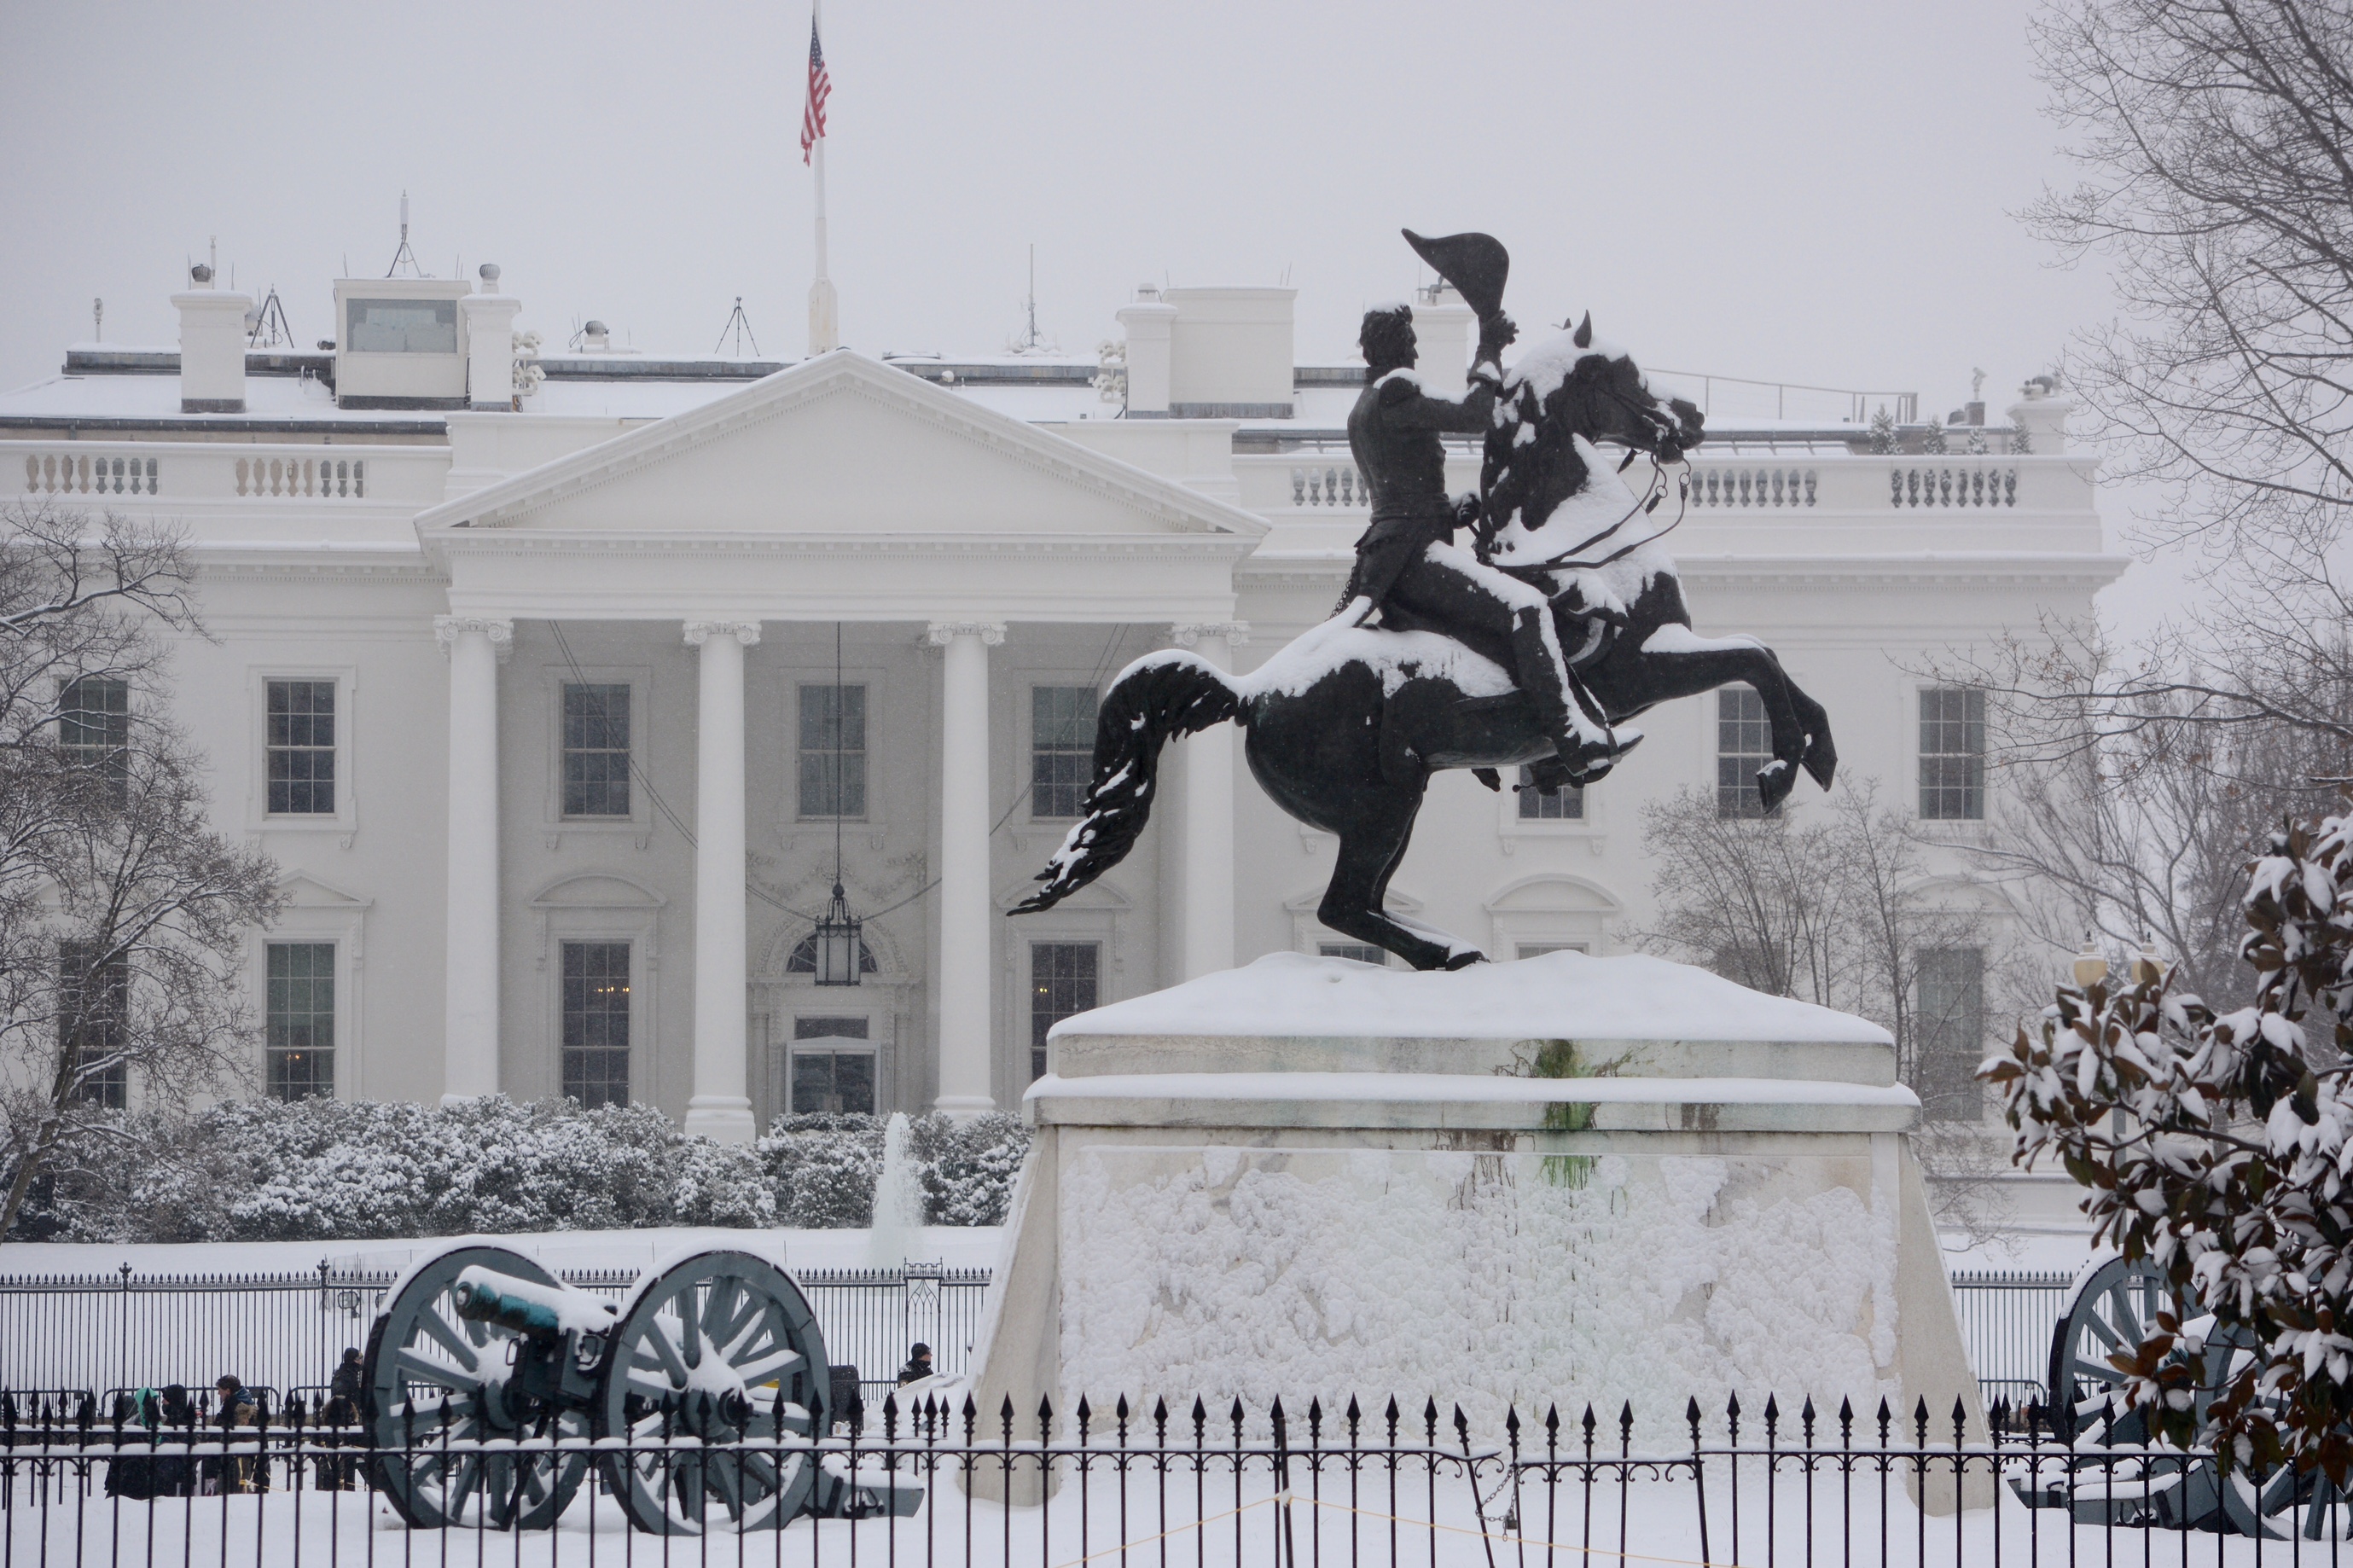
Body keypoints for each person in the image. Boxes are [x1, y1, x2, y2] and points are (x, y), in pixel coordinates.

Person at [1341, 302, 1619, 783]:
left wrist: (1448, 510)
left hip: (1396, 550)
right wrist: (1488, 347)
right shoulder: (1395, 391)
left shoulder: (1364, 405)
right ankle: (1570, 740)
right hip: (1412, 558)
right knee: (1526, 609)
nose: (1415, 351)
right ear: (1395, 345)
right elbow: (1475, 414)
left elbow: (1398, 494)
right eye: (1409, 341)